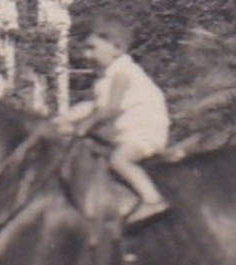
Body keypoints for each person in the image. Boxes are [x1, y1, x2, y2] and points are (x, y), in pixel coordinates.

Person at [57, 16, 172, 227]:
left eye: (92, 49)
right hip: (128, 131)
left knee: (120, 160)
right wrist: (62, 120)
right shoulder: (107, 77)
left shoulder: (122, 74)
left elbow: (110, 109)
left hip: (143, 132)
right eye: (85, 49)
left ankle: (153, 200)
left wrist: (83, 127)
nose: (86, 55)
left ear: (117, 49)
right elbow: (91, 106)